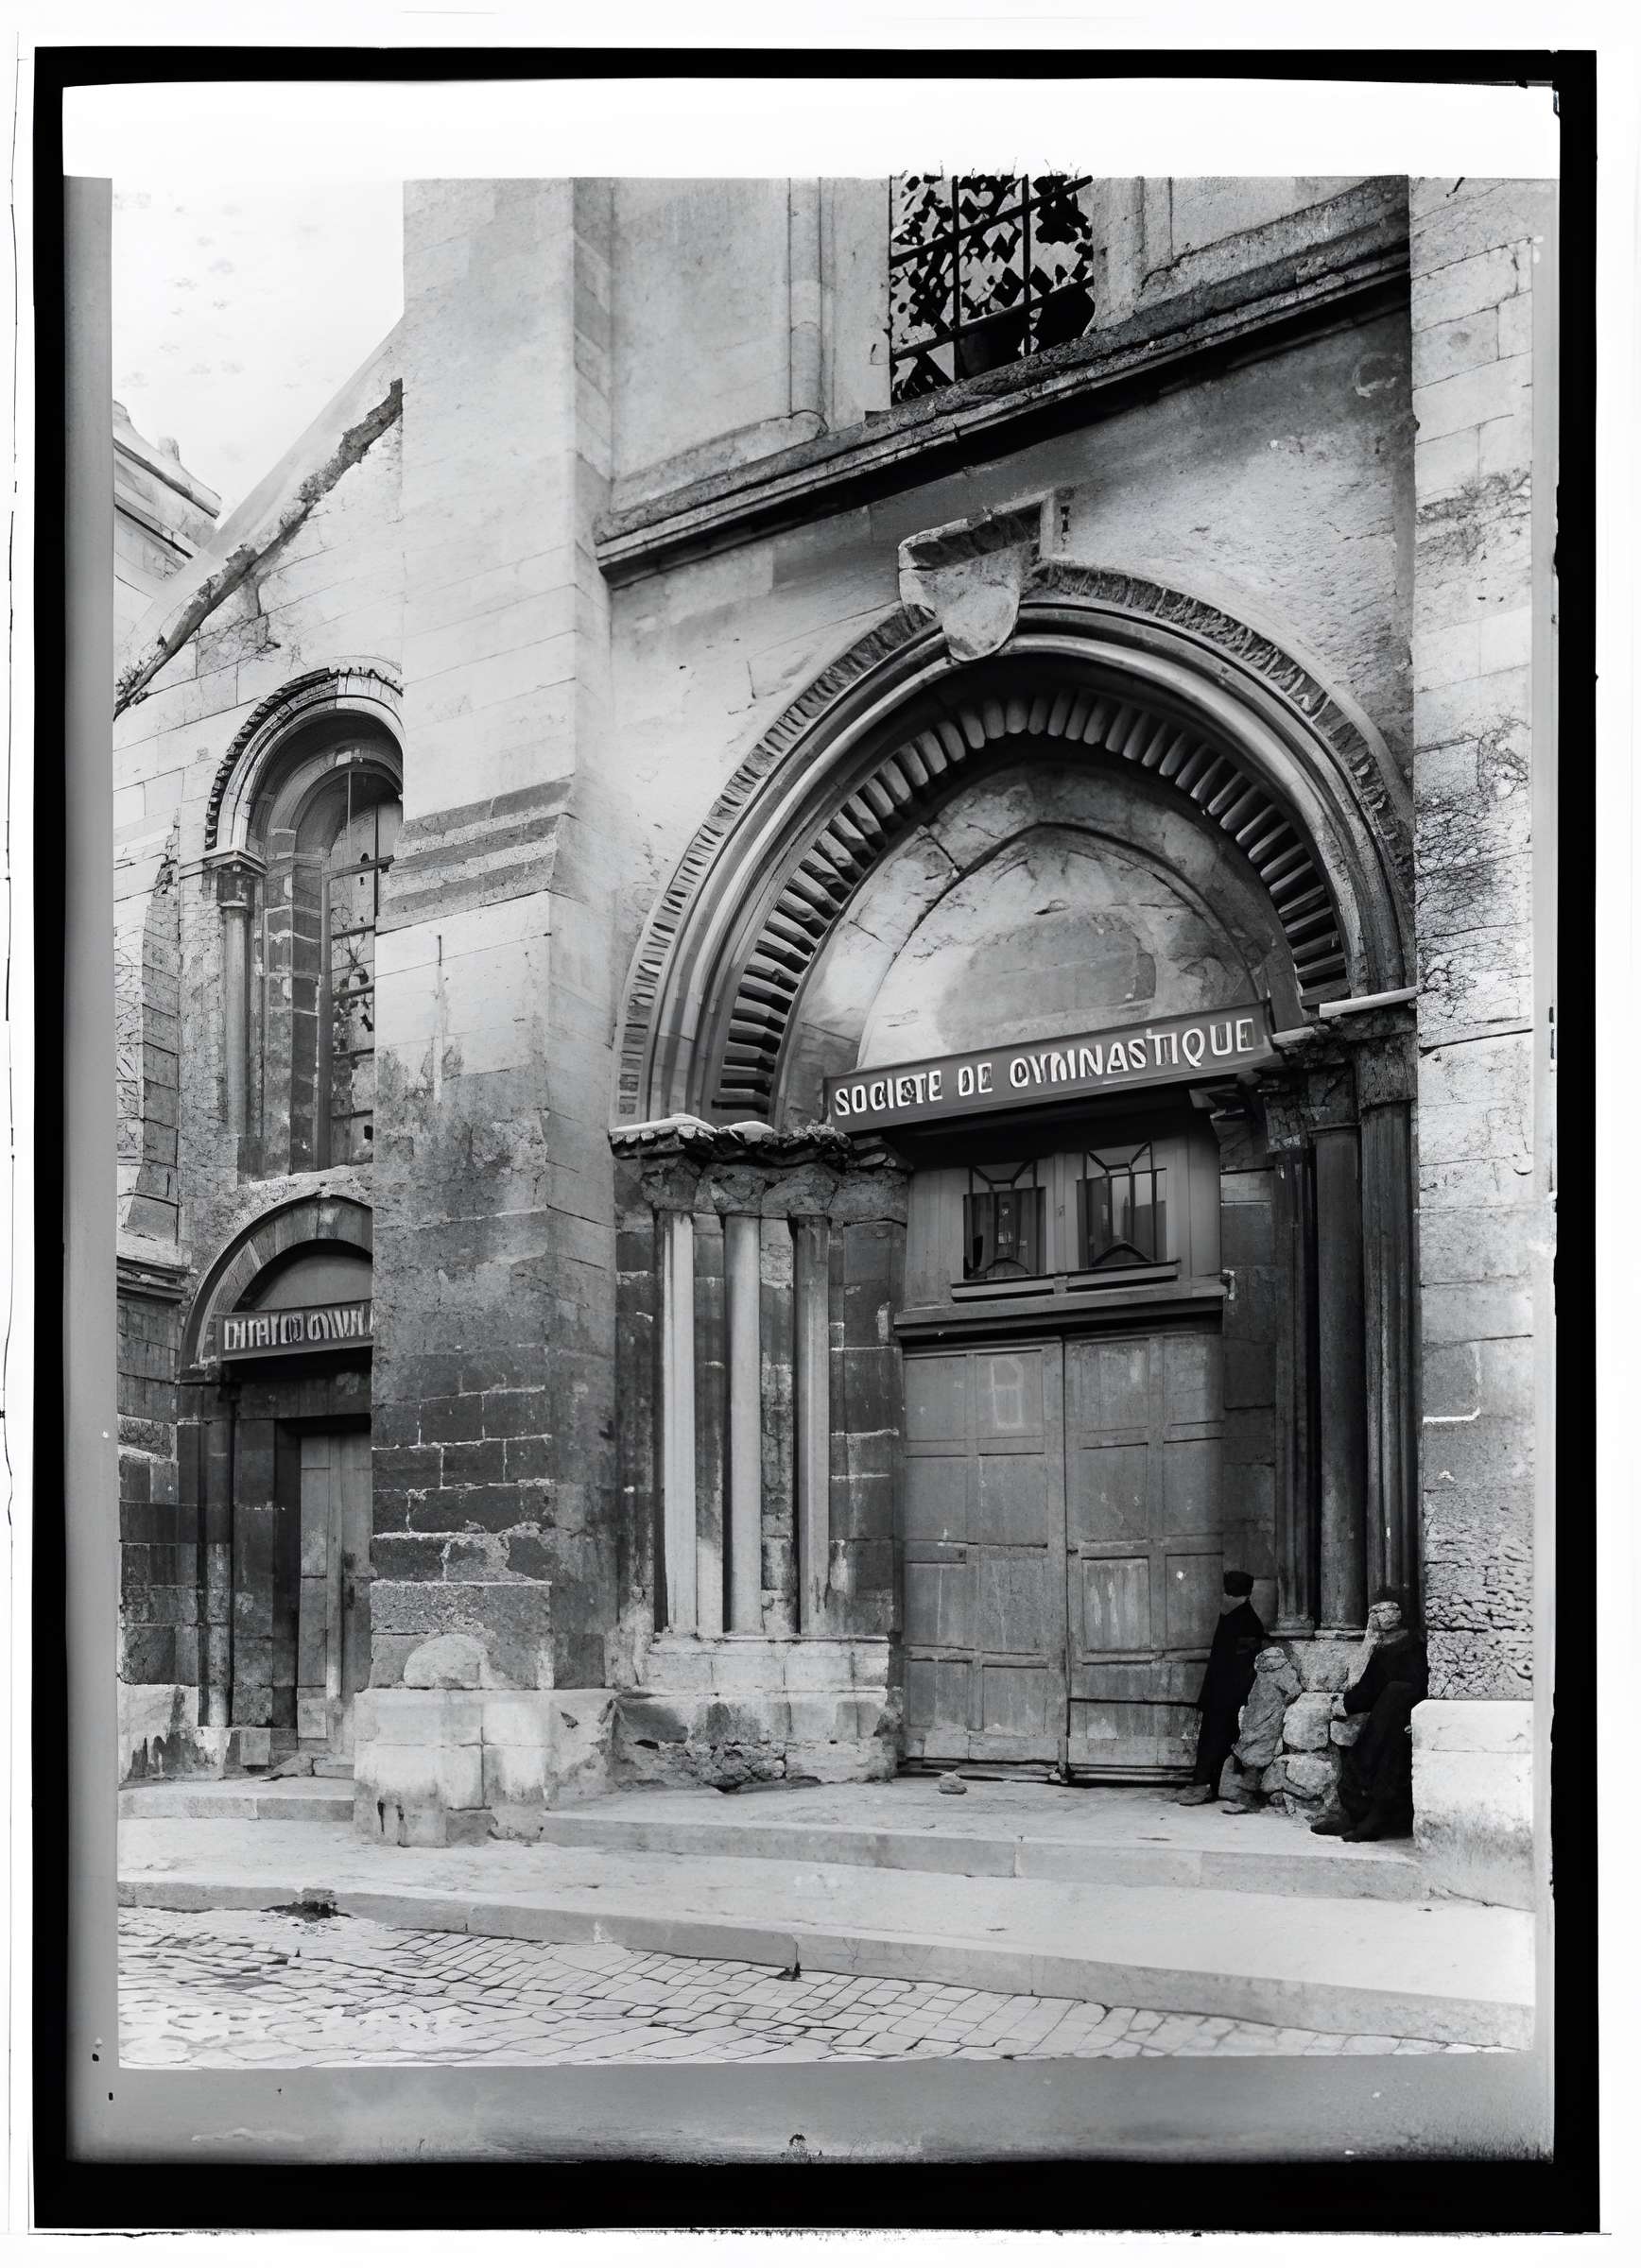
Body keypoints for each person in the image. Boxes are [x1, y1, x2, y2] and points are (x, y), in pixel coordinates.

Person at [1310, 1586, 1428, 1842]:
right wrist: (1345, 1704)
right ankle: (1354, 1816)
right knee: (1365, 1754)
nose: (1384, 1616)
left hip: (1405, 1717)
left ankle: (1375, 1819)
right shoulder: (1384, 1649)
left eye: (1390, 1610)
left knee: (1386, 1757)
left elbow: (1418, 1686)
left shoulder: (1414, 1649)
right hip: (1385, 1717)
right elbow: (1366, 1690)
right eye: (1379, 1611)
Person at [1176, 1570, 1265, 1805]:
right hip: (1220, 1693)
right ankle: (1207, 1784)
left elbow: (1243, 1667)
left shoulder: (1247, 1622)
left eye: (1229, 1594)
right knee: (1214, 1738)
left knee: (1216, 1739)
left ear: (1241, 1596)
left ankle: (1204, 1785)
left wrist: (1230, 1698)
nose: (1224, 1597)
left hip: (1228, 1696)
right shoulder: (1232, 1617)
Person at [1219, 1644, 1301, 1813]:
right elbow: (1295, 1689)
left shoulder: (1265, 1673)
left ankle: (1239, 1794)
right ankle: (1240, 1794)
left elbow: (1292, 1690)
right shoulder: (1278, 1671)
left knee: (1249, 1753)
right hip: (1261, 1721)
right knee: (1251, 1755)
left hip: (1259, 1721)